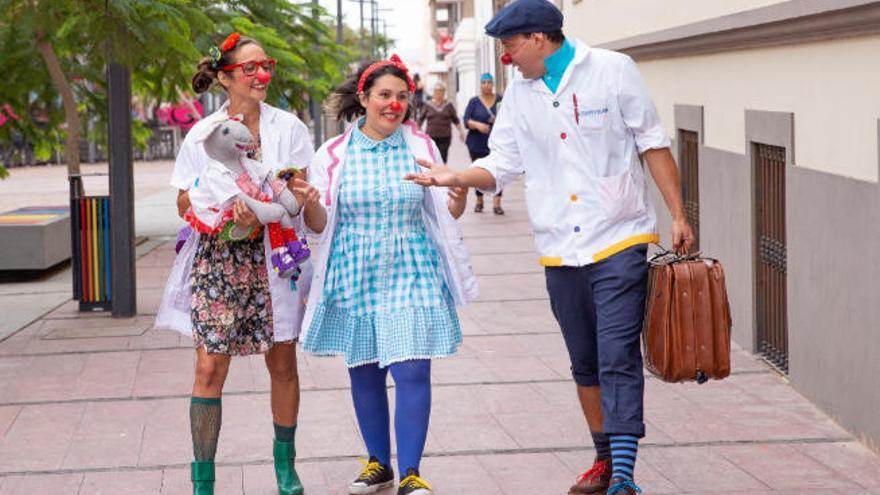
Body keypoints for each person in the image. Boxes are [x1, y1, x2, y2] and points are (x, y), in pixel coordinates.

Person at [404, 1, 696, 494]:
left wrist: (679, 214)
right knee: (583, 358)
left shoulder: (611, 70)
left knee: (616, 354)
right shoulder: (520, 94)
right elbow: (502, 164)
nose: (506, 58)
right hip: (560, 246)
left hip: (619, 234)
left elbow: (652, 143)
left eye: (511, 46)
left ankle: (624, 475)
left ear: (539, 39)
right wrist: (455, 175)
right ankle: (604, 462)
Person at [299, 54, 477, 495]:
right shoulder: (333, 154)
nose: (394, 104)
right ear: (364, 98)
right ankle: (379, 462)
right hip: (352, 268)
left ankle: (412, 471)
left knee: (413, 368)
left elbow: (448, 211)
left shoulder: (422, 148)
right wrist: (307, 202)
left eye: (401, 96)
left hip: (411, 265)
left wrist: (457, 192)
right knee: (366, 369)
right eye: (384, 95)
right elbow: (320, 224)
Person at [154, 32, 319, 495]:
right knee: (209, 368)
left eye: (265, 64)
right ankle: (202, 480)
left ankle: (285, 466)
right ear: (226, 78)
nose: (262, 74)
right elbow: (183, 200)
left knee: (282, 361)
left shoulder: (290, 128)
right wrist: (224, 209)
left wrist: (289, 197)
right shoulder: (202, 133)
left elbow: (298, 192)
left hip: (277, 256)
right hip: (220, 260)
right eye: (250, 68)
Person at [462, 73, 504, 214]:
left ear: (493, 84)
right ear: (480, 84)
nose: (486, 85)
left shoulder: (499, 100)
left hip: (496, 143)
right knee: (478, 172)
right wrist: (478, 125)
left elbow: (507, 117)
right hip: (476, 143)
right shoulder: (474, 101)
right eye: (484, 82)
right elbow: (466, 119)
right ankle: (479, 202)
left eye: (489, 82)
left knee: (498, 172)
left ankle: (497, 204)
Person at [417, 82, 466, 163]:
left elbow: (455, 120)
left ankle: (441, 174)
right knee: (431, 158)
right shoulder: (427, 105)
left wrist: (461, 131)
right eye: (436, 91)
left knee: (442, 159)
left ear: (444, 92)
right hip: (431, 137)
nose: (438, 93)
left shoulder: (448, 105)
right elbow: (420, 120)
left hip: (445, 137)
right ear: (434, 92)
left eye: (441, 91)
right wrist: (419, 133)